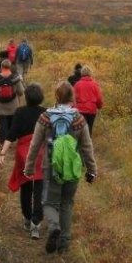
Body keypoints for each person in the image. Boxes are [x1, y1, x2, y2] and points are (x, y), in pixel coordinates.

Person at [24, 81, 97, 254]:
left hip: (51, 167)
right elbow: (87, 147)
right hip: (72, 168)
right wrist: (92, 169)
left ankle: (54, 226)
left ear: (56, 96)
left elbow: (35, 144)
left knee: (48, 202)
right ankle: (64, 243)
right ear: (72, 97)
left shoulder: (45, 117)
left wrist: (29, 167)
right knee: (67, 203)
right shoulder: (79, 119)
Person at [0, 83, 47, 239]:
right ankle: (36, 223)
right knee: (40, 188)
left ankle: (27, 217)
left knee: (25, 187)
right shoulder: (46, 113)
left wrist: (3, 153)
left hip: (24, 154)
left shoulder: (19, 112)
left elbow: (11, 134)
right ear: (41, 98)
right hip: (41, 153)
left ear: (26, 97)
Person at [0, 59, 25, 145]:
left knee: (2, 124)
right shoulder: (15, 78)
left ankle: (1, 142)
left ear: (1, 67)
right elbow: (21, 92)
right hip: (13, 107)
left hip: (0, 106)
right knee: (11, 124)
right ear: (10, 67)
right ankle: (10, 141)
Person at [72, 65, 103, 135]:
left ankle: (80, 140)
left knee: (80, 130)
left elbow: (73, 98)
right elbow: (99, 98)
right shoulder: (95, 84)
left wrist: (73, 109)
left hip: (80, 111)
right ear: (90, 73)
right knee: (89, 129)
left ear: (81, 73)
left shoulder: (77, 85)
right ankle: (89, 140)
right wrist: (99, 106)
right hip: (91, 111)